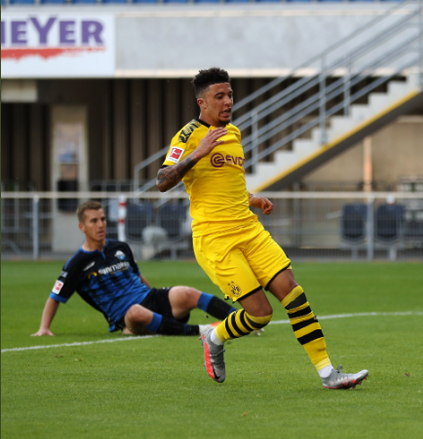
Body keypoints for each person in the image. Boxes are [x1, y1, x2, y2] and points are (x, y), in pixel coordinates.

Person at [156, 67, 368, 389]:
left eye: (230, 94)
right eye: (220, 96)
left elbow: (227, 183)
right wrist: (199, 153)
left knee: (294, 294)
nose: (228, 101)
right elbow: (161, 181)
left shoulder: (234, 133)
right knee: (260, 314)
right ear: (202, 103)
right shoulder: (186, 137)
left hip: (249, 230)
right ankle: (214, 336)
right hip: (215, 240)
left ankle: (328, 374)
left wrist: (252, 198)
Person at [33, 201, 236, 337]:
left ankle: (239, 320)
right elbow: (55, 296)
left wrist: (157, 296)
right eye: (93, 221)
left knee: (187, 292)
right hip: (126, 318)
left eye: (102, 219)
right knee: (136, 311)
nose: (100, 225)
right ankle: (202, 331)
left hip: (149, 299)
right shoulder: (76, 264)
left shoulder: (120, 247)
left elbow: (138, 276)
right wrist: (44, 328)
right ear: (82, 227)